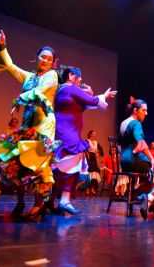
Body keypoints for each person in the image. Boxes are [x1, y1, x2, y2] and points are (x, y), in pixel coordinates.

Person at [0, 27, 60, 221]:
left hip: (43, 126)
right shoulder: (29, 77)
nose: (45, 61)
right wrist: (2, 46)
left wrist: (18, 99)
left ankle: (39, 205)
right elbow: (10, 66)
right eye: (43, 57)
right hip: (27, 125)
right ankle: (20, 201)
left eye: (49, 59)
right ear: (37, 57)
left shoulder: (52, 76)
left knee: (39, 166)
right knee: (17, 164)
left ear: (52, 63)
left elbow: (40, 92)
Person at [52, 66, 117, 215]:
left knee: (63, 164)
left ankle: (54, 200)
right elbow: (92, 101)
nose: (80, 80)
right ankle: (64, 200)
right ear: (70, 75)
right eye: (78, 77)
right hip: (68, 132)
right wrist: (98, 96)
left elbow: (86, 103)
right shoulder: (71, 88)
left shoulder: (63, 90)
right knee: (71, 160)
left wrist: (100, 96)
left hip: (64, 130)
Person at [119, 97, 154, 220]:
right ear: (135, 110)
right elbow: (141, 143)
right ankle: (147, 197)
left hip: (124, 162)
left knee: (150, 177)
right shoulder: (136, 123)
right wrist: (153, 161)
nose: (146, 113)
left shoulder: (123, 122)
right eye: (144, 110)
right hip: (133, 160)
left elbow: (120, 143)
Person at [85, 130, 104, 195]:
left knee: (95, 174)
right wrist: (87, 153)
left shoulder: (96, 142)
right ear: (90, 134)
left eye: (95, 134)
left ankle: (92, 188)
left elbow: (101, 150)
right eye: (93, 134)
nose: (94, 135)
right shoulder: (87, 141)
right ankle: (87, 189)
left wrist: (98, 154)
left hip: (94, 159)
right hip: (89, 159)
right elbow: (84, 148)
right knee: (89, 174)